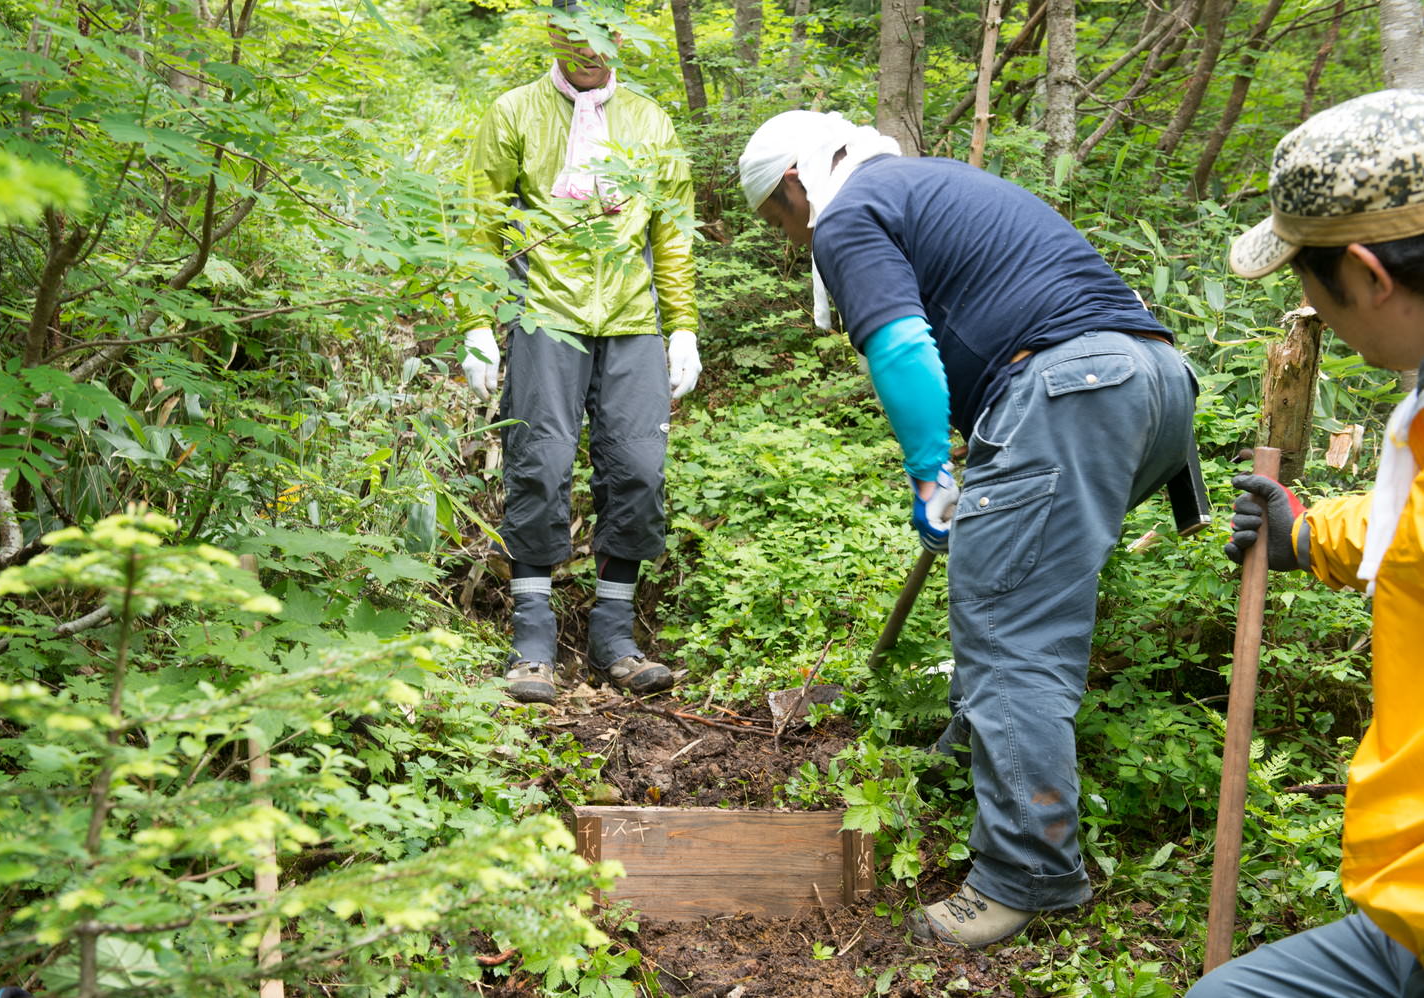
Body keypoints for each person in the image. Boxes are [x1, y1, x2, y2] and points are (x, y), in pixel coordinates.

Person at [737, 111, 1200, 947]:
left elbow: (904, 347)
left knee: (1008, 628)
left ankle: (1029, 875)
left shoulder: (846, 212)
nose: (790, 236)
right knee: (1010, 582)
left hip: (1071, 388)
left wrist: (929, 473)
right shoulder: (927, 183)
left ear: (796, 182)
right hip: (1156, 382)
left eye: (779, 217)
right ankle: (967, 757)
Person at [1189, 88, 1424, 997]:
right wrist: (1307, 534)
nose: (1311, 308)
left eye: (1306, 279)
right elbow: (1408, 524)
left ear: (1366, 273)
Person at [459, 0, 701, 704]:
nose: (589, 49)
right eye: (574, 33)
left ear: (619, 39)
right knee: (541, 462)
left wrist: (681, 326)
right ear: (554, 35)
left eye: (602, 36)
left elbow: (672, 231)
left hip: (632, 317)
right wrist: (477, 320)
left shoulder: (650, 120)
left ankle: (614, 639)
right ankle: (532, 640)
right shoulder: (514, 113)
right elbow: (482, 221)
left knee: (640, 468)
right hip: (544, 313)